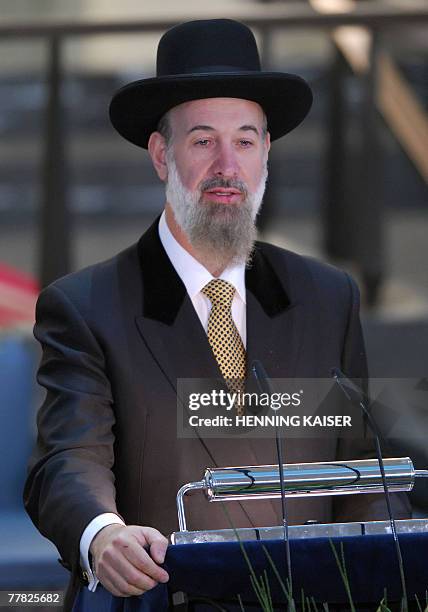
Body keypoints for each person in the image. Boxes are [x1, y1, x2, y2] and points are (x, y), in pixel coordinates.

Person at [24, 18, 410, 610]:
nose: (227, 164)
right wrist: (103, 534)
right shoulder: (86, 306)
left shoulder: (327, 296)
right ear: (162, 154)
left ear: (266, 155)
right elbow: (68, 461)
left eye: (246, 140)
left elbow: (360, 470)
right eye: (203, 140)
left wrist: (392, 557)